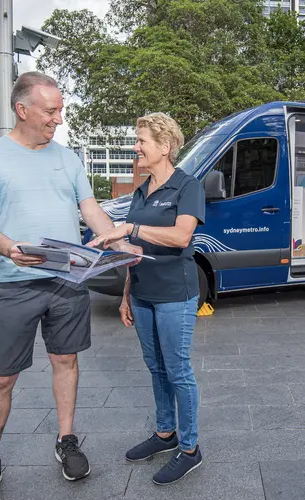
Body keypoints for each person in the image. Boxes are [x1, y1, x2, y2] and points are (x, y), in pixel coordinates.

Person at [0, 71, 140, 500]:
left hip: (68, 280)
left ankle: (66, 440)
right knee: (0, 379)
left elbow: (91, 211)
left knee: (66, 362)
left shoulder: (67, 158)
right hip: (14, 284)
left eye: (60, 110)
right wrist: (8, 248)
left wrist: (118, 240)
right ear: (22, 110)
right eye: (51, 111)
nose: (58, 119)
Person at [89, 112, 205, 486]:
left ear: (165, 147)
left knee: (178, 370)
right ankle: (165, 433)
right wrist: (125, 294)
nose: (135, 147)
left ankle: (189, 449)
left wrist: (131, 227)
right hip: (142, 295)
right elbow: (134, 250)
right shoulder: (141, 191)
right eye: (136, 141)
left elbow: (181, 237)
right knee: (156, 369)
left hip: (175, 294)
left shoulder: (188, 187)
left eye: (141, 142)